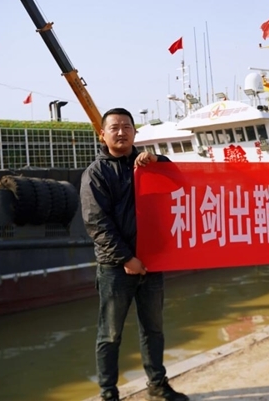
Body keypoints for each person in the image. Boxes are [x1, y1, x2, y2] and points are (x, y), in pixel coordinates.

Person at [80, 108, 189, 401]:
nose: (121, 132)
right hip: (115, 268)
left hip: (152, 262)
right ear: (102, 135)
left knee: (154, 328)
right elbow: (97, 223)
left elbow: (181, 183)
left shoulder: (149, 166)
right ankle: (108, 392)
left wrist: (159, 161)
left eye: (127, 126)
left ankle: (157, 384)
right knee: (110, 333)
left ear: (134, 133)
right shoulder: (96, 173)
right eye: (114, 127)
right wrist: (126, 259)